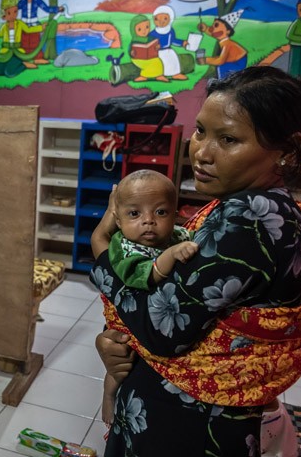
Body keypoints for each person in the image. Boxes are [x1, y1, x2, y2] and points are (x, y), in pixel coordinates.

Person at [91, 66, 301, 456]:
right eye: (200, 131)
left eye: (228, 139)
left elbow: (162, 331)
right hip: (193, 410)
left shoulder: (251, 220)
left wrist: (101, 250)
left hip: (192, 422)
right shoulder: (253, 207)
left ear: (286, 149)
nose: (202, 152)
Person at [96, 169, 198, 426]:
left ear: (175, 215)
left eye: (161, 212)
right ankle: (108, 395)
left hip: (160, 338)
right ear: (118, 221)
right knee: (120, 368)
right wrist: (172, 255)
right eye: (134, 213)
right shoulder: (123, 246)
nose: (149, 221)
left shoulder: (178, 235)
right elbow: (142, 276)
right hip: (125, 329)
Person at [197, 10, 247, 79]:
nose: (212, 29)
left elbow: (220, 61)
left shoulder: (227, 44)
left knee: (221, 67)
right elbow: (213, 32)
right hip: (234, 60)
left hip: (239, 63)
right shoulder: (223, 42)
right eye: (213, 25)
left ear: (228, 31)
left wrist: (206, 60)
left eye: (216, 26)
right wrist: (205, 29)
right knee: (220, 63)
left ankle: (223, 84)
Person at [16, 0, 63, 65]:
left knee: (35, 42)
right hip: (24, 26)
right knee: (24, 43)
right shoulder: (23, 0)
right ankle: (25, 59)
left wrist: (57, 9)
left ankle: (37, 59)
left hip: (34, 25)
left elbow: (46, 8)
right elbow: (15, 8)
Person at [151, 6, 188, 80]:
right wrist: (155, 47)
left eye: (165, 18)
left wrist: (182, 43)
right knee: (159, 62)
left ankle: (175, 74)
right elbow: (149, 43)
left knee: (173, 59)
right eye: (157, 19)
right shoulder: (153, 33)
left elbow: (173, 40)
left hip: (168, 50)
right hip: (158, 52)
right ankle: (159, 75)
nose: (161, 21)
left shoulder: (170, 31)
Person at [129, 15, 167, 82]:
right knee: (147, 64)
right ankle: (143, 76)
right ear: (133, 30)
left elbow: (157, 45)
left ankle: (159, 75)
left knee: (158, 62)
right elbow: (130, 50)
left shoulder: (151, 38)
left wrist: (157, 46)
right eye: (139, 29)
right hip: (138, 59)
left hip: (152, 57)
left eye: (147, 27)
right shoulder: (134, 40)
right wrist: (131, 52)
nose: (144, 31)